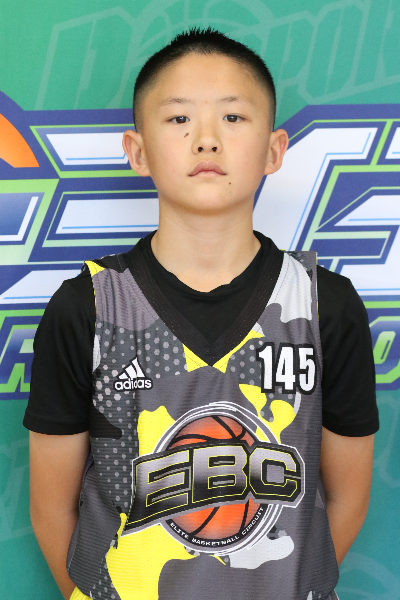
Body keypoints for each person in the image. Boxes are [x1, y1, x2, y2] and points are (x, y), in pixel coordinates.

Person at [24, 28, 378, 600]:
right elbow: (50, 508)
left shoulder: (323, 305)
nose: (207, 140)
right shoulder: (87, 306)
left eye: (233, 117)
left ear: (274, 149)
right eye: (179, 118)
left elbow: (348, 497)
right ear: (138, 151)